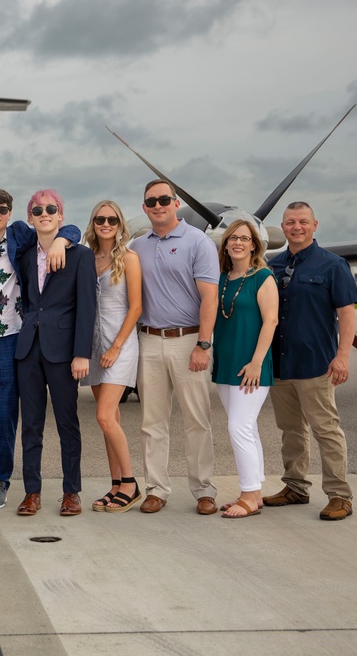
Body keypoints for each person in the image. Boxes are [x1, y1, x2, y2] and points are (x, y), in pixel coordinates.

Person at [0, 188, 80, 511]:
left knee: (4, 415)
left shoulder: (18, 236)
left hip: (9, 339)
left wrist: (64, 240)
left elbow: (65, 229)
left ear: (10, 214)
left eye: (3, 208)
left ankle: (1, 481)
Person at [266, 202, 357, 521]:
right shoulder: (273, 266)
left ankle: (339, 495)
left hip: (316, 364)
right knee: (290, 429)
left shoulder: (333, 265)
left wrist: (342, 356)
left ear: (314, 225)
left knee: (326, 429)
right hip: (280, 365)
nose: (297, 227)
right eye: (290, 222)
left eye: (303, 222)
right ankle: (295, 486)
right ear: (283, 227)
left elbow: (346, 313)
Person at [130, 179, 220, 515]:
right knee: (151, 422)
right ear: (144, 207)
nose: (158, 205)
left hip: (188, 341)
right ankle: (156, 489)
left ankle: (204, 490)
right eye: (151, 201)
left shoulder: (198, 242)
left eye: (164, 199)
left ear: (176, 202)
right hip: (149, 340)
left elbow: (209, 297)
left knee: (197, 420)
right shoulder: (137, 246)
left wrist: (203, 344)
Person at [14, 190, 96, 517]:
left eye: (51, 209)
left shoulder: (80, 256)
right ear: (31, 217)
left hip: (63, 352)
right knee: (31, 425)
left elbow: (87, 308)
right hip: (28, 349)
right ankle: (31, 492)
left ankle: (71, 491)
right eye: (38, 210)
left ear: (60, 216)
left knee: (67, 424)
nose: (44, 213)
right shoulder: (22, 254)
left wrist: (81, 353)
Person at [212, 220, 277, 518]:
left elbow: (271, 321)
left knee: (238, 427)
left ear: (254, 245)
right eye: (232, 238)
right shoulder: (222, 278)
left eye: (244, 238)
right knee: (246, 427)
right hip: (225, 364)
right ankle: (256, 492)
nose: (238, 242)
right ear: (225, 244)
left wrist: (256, 362)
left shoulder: (263, 277)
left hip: (251, 367)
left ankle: (249, 495)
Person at [83, 200, 143, 513]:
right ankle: (115, 484)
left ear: (120, 224)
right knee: (111, 421)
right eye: (100, 219)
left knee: (105, 416)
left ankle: (131, 484)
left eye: (112, 219)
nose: (106, 224)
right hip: (93, 345)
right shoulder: (87, 258)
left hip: (119, 343)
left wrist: (117, 346)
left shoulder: (129, 259)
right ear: (92, 223)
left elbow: (136, 307)